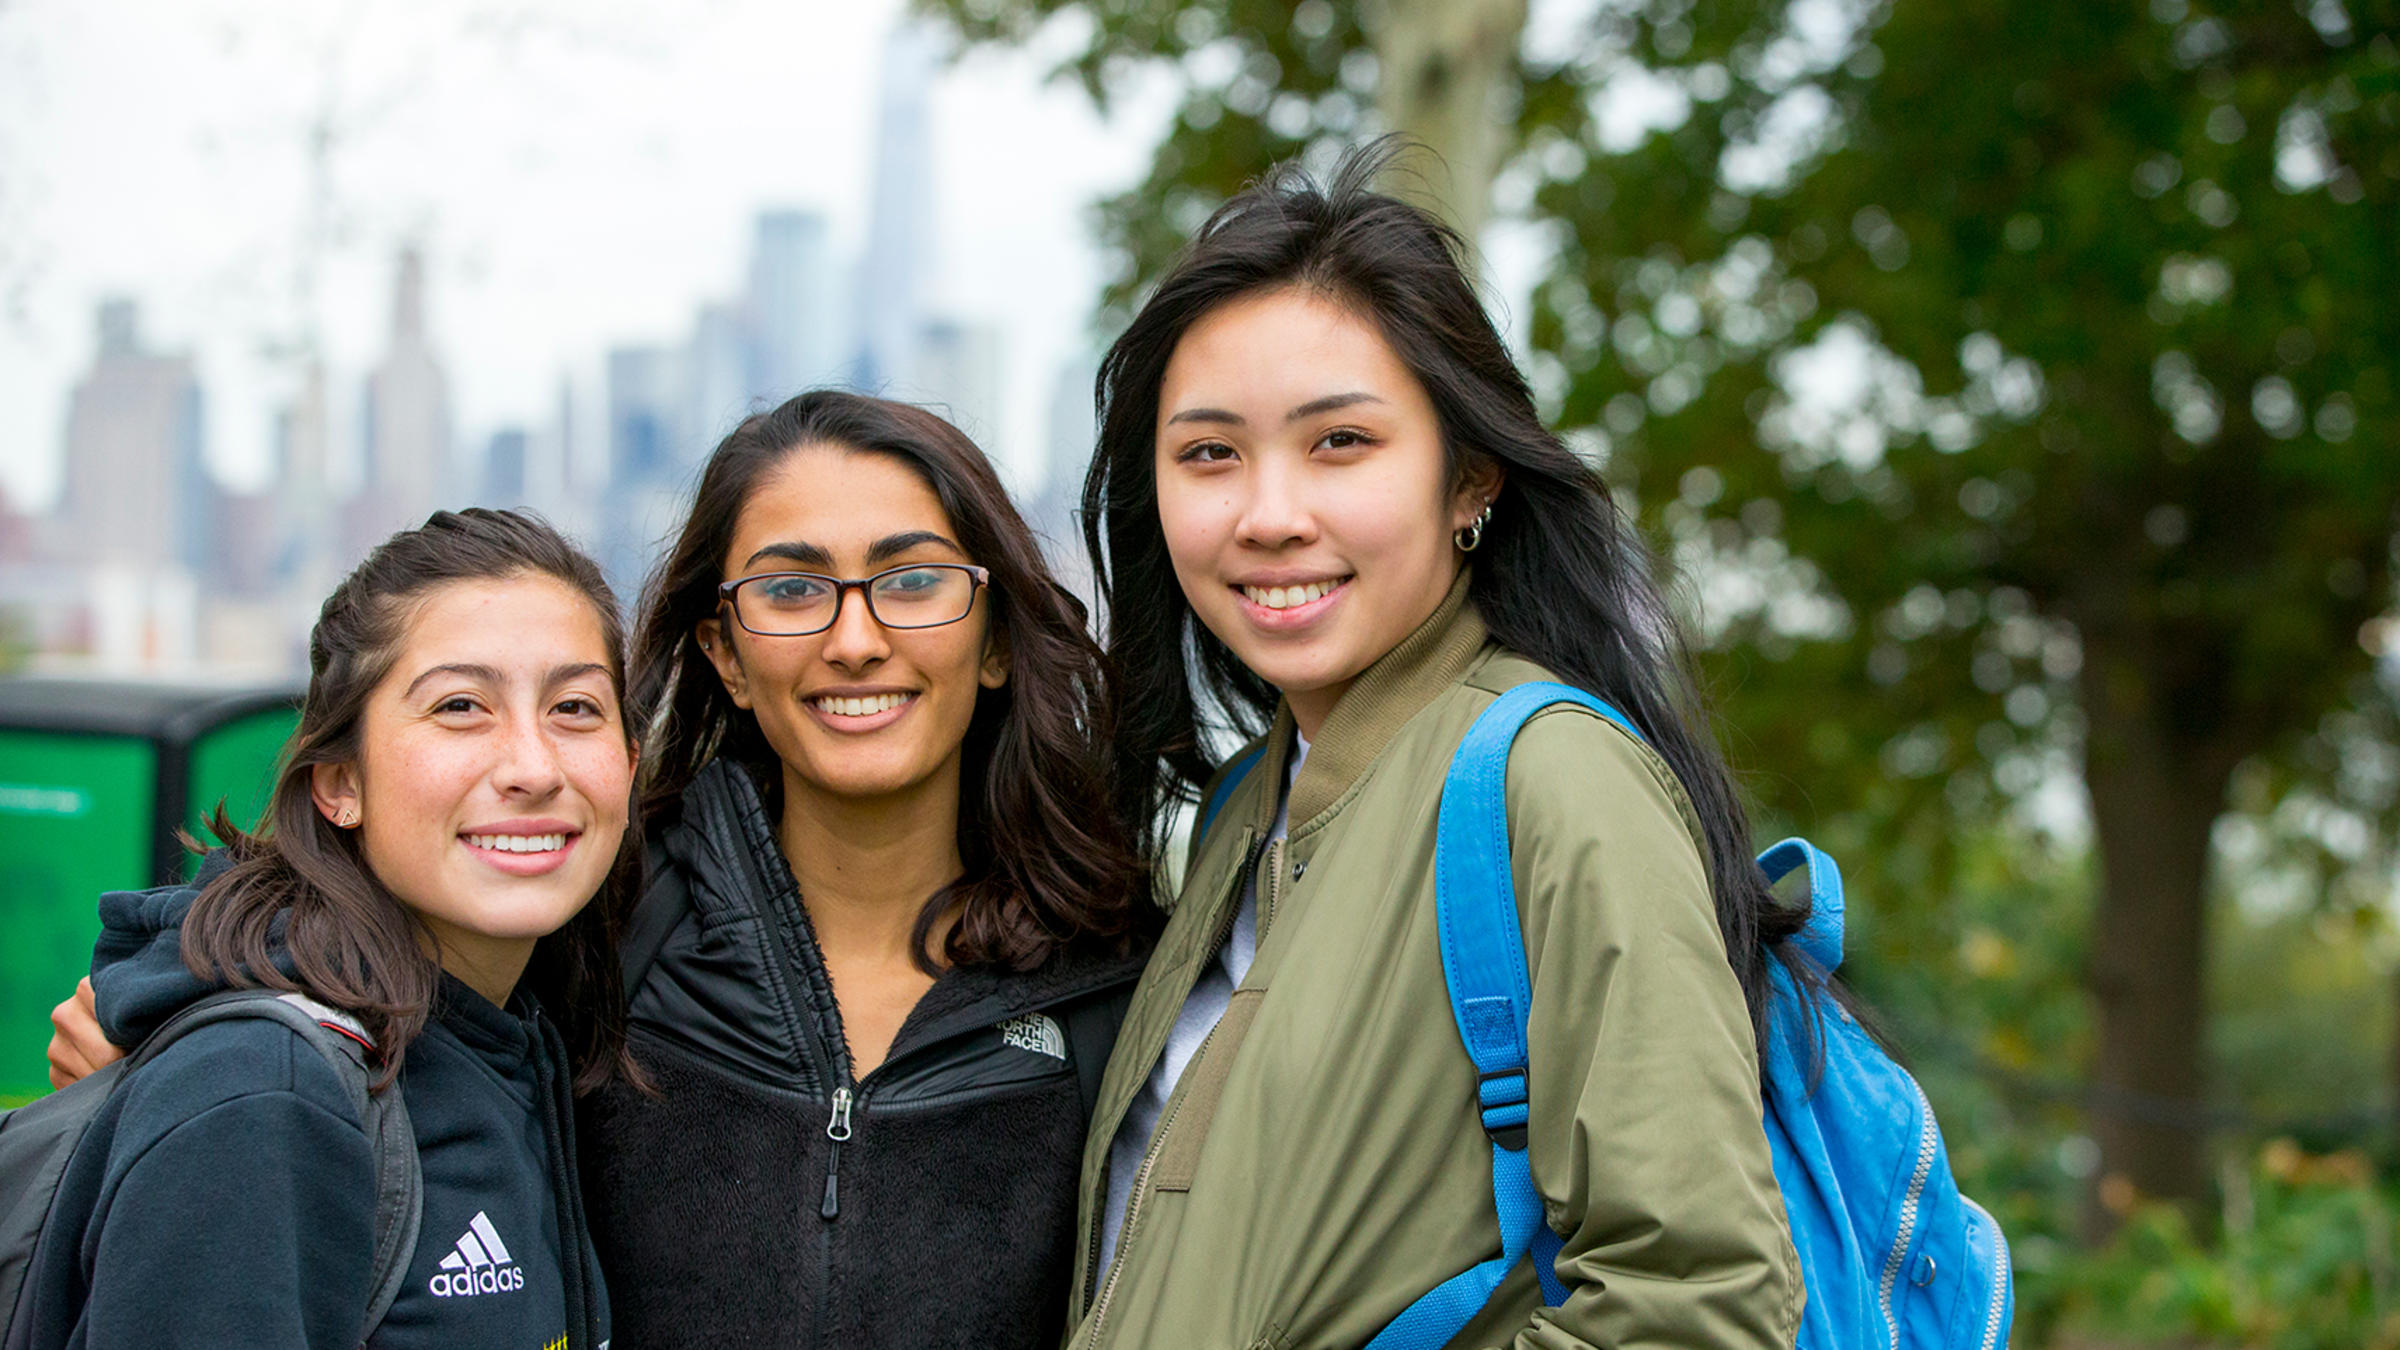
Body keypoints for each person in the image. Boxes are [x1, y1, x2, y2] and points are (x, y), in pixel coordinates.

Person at [47, 394, 1150, 1347]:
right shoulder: (604, 929)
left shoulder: (1121, 979)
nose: (856, 638)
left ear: (996, 635)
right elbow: (365, 930)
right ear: (721, 651)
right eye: (791, 588)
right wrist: (176, 1012)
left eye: (912, 581)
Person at [1068, 143, 1811, 1349]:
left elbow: (1698, 1305)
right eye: (1209, 453)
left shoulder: (1551, 780)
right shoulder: (1248, 808)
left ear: (1469, 479)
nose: (1268, 515)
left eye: (1340, 443)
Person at [20, 508, 636, 1350]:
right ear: (340, 782)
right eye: (460, 706)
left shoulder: (522, 1035)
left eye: (575, 707)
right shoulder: (264, 1095)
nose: (533, 766)